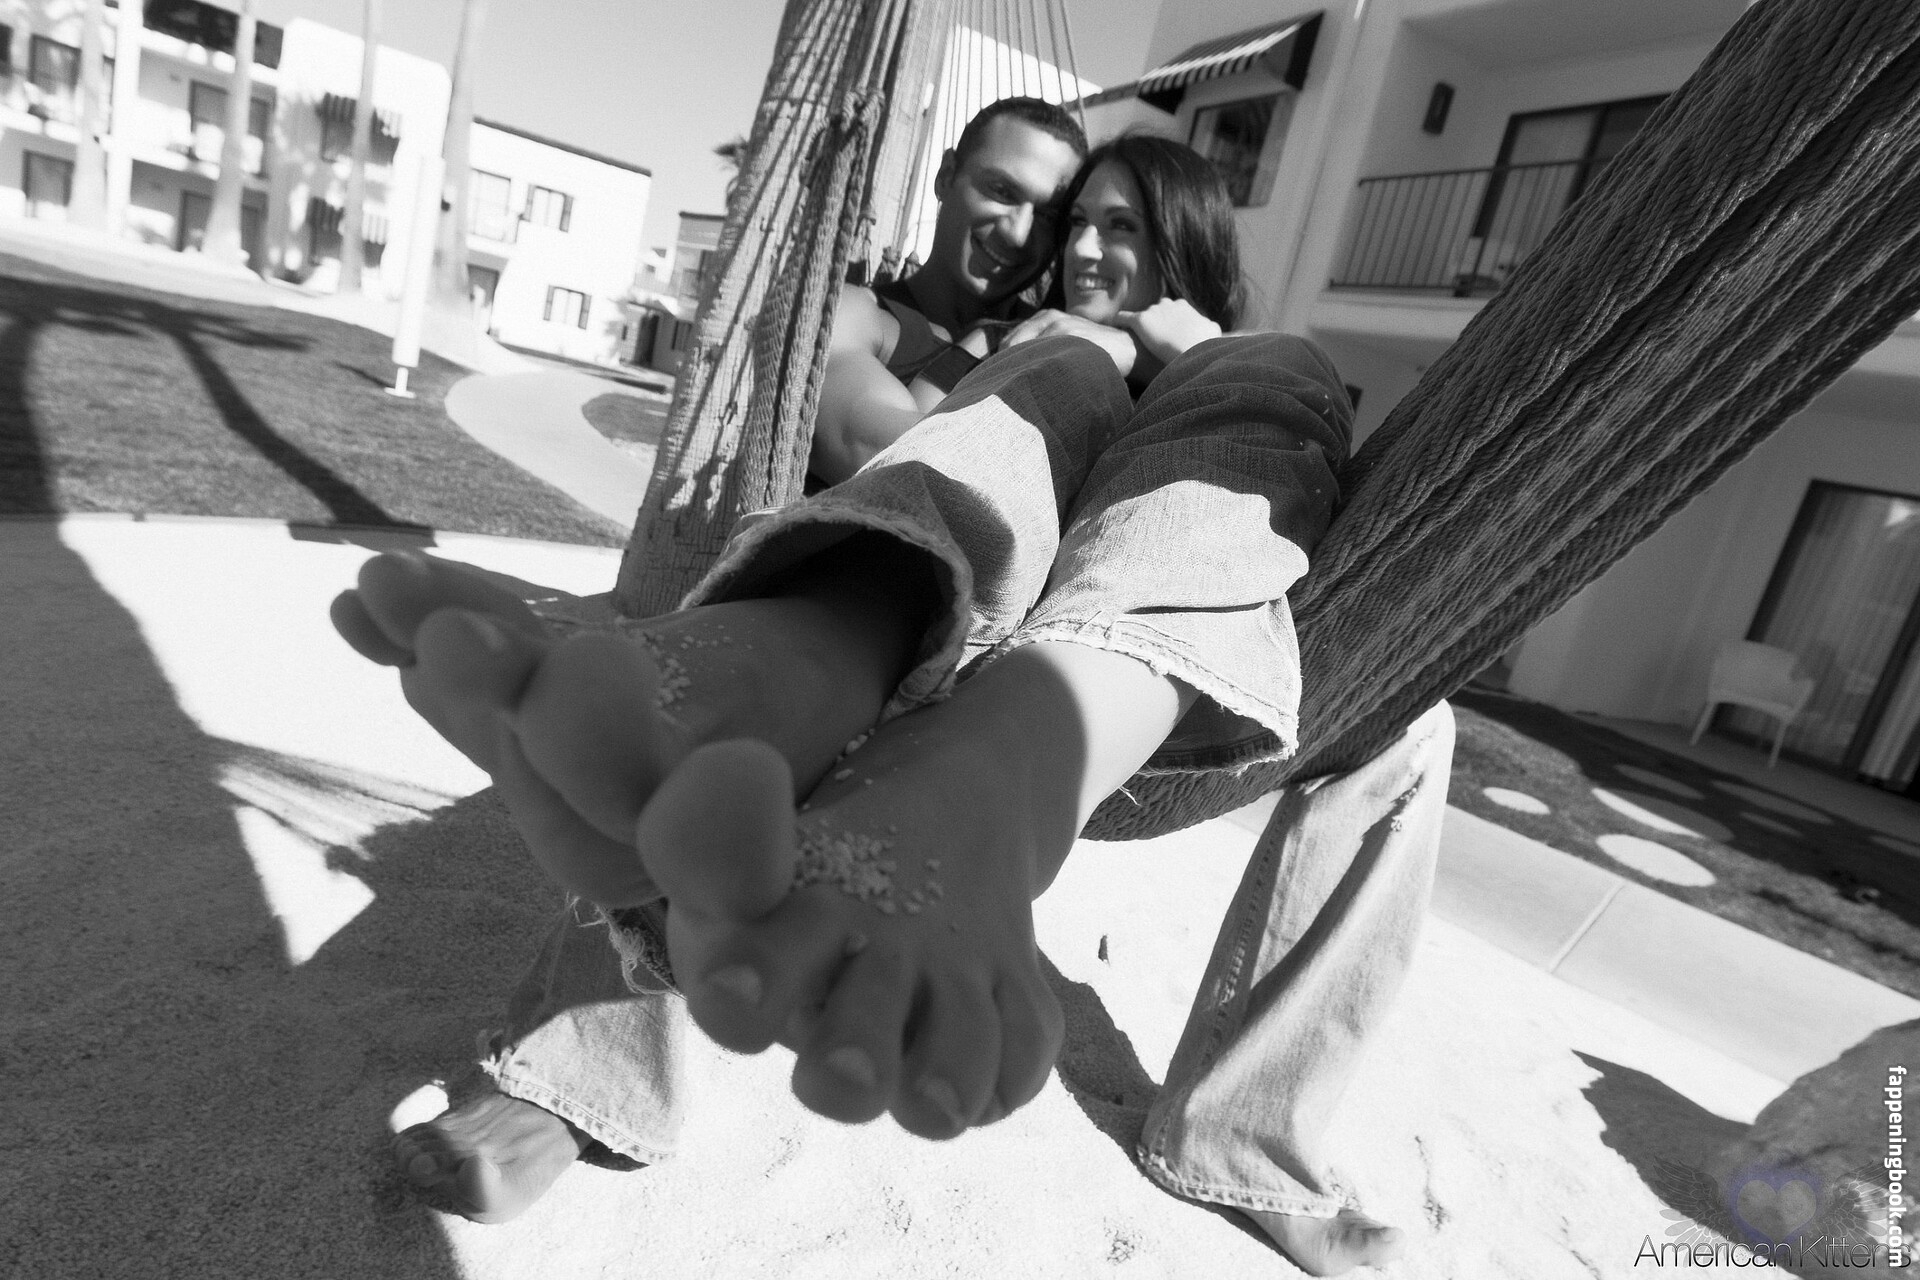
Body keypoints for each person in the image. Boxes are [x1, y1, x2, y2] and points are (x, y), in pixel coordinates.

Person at [335, 130, 1449, 1277]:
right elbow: (871, 415)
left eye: (1117, 225)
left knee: (1392, 665)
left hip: (1176, 689)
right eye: (1071, 219)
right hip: (925, 647)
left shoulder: (1207, 363)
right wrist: (1078, 352)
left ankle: (1228, 1104)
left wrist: (1188, 350)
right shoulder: (946, 333)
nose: (1077, 244)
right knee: (1068, 364)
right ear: (946, 179)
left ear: (1186, 244)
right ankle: (800, 681)